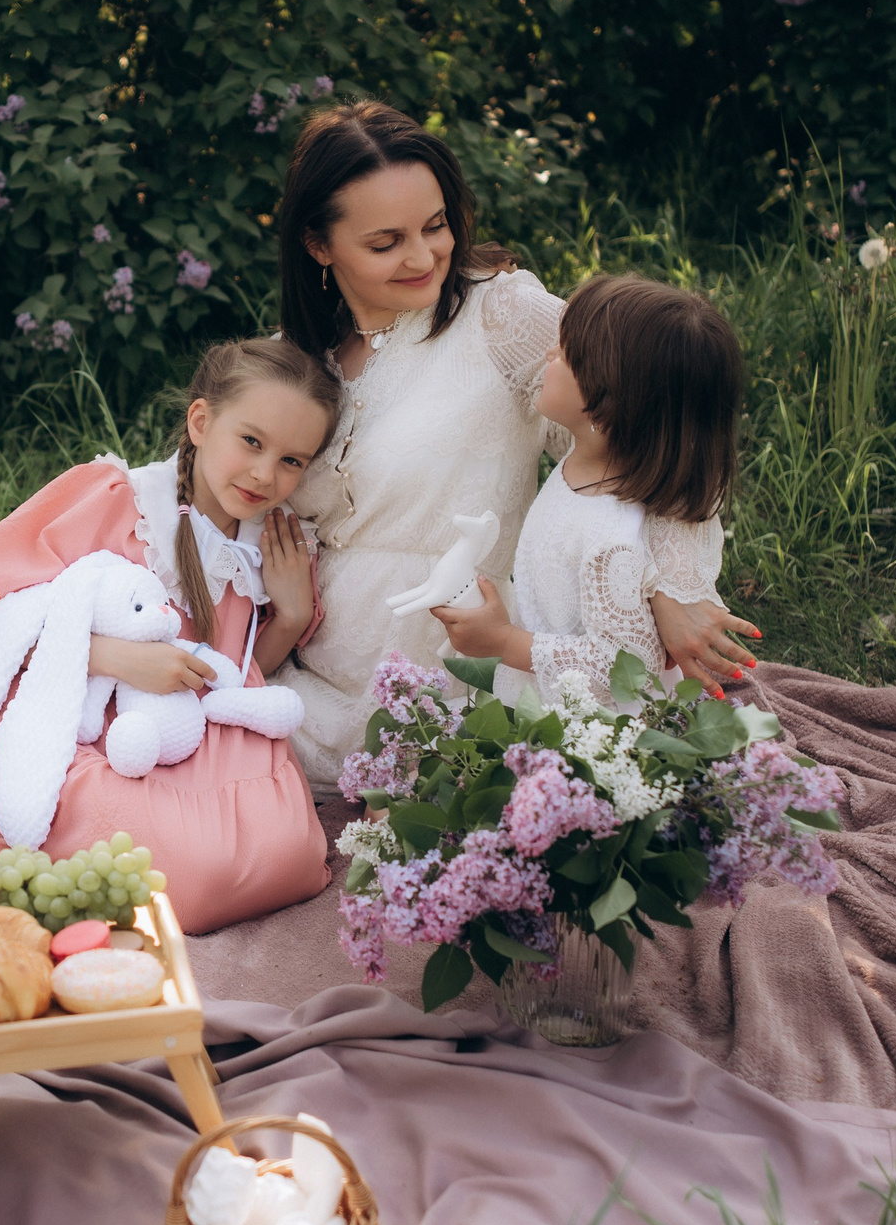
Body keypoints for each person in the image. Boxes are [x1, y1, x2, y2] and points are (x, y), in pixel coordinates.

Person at [268, 99, 762, 786]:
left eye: (436, 226)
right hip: (311, 674)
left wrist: (670, 592)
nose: (422, 256)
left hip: (466, 678)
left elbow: (655, 423)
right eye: (386, 243)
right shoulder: (292, 360)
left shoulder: (499, 315)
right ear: (319, 246)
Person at [0, 338, 339, 931]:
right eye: (251, 441)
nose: (264, 474)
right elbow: (12, 627)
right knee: (190, 876)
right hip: (87, 720)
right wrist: (117, 658)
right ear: (201, 421)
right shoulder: (121, 503)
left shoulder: (269, 548)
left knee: (287, 854)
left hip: (194, 736)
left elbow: (239, 674)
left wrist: (292, 616)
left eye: (292, 461)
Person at [431, 273, 747, 709]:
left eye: (563, 355)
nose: (546, 353)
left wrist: (504, 642)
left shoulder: (610, 538)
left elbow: (624, 667)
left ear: (610, 399)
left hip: (603, 727)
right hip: (552, 699)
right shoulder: (587, 464)